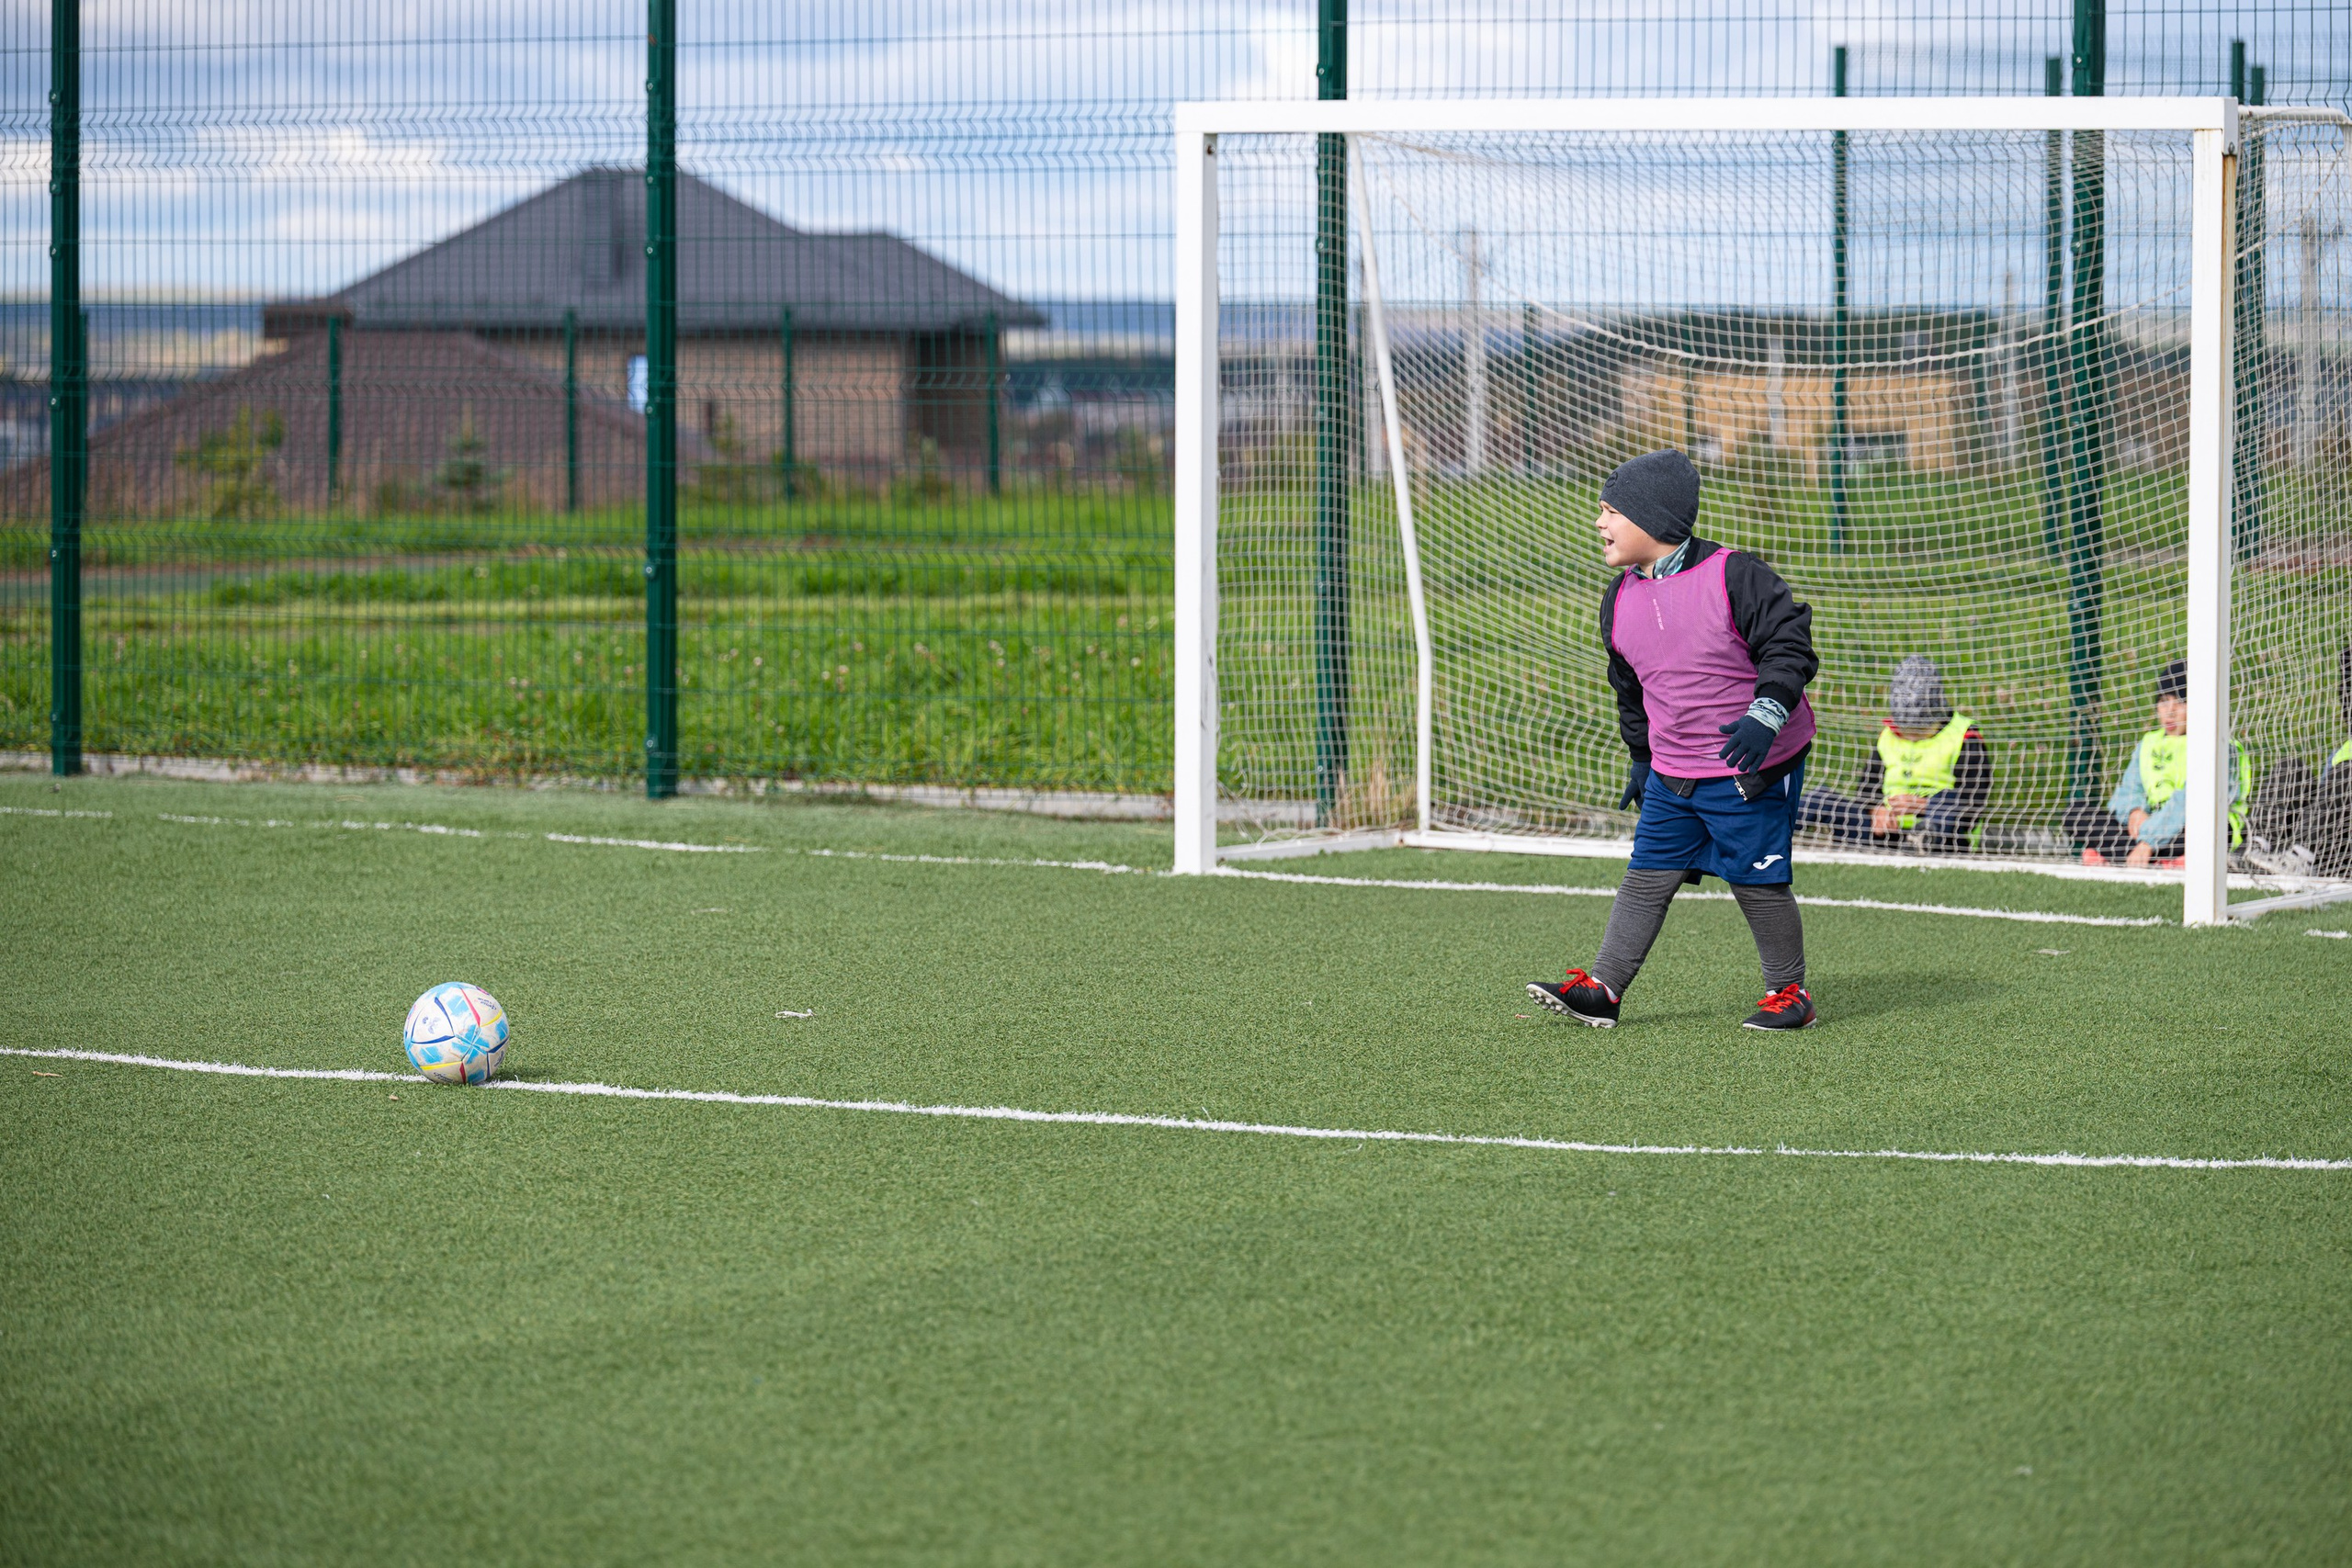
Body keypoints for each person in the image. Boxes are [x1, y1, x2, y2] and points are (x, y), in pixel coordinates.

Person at [1526, 447, 1822, 1032]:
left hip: (1749, 766)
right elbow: (1630, 689)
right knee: (1645, 876)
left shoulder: (1736, 575)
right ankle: (1605, 989)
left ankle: (1789, 992)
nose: (1599, 522)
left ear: (1653, 519)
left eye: (1610, 510)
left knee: (1758, 881)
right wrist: (1641, 758)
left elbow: (1790, 645)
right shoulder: (1618, 598)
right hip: (1672, 772)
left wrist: (1765, 715)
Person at [2063, 659, 2249, 869]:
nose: (2169, 711)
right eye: (2163, 701)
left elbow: (2188, 802)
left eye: (2180, 702)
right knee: (2075, 813)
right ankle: (2163, 860)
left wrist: (2149, 841)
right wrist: (2134, 811)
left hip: (2189, 827)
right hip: (2147, 827)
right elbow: (2127, 791)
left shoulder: (2218, 744)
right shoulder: (2149, 743)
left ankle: (2130, 855)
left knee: (2207, 828)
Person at [1795, 654, 1991, 854]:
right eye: (1905, 730)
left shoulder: (1965, 736)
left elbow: (1975, 800)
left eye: (1921, 731)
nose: (1912, 737)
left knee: (1948, 800)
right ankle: (1772, 829)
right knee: (1820, 799)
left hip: (1945, 835)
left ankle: (1924, 838)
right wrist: (1876, 809)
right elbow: (1866, 789)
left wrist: (1923, 806)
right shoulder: (1888, 736)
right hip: (1886, 833)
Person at [2244, 641, 2352, 877]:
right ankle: (2256, 848)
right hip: (2330, 838)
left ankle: (2300, 858)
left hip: (2341, 855)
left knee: (2347, 775)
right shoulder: (2344, 750)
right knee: (2291, 770)